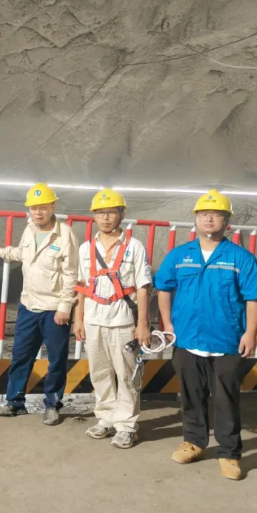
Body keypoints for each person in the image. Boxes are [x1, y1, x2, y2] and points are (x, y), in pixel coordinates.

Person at [155, 189, 257, 480]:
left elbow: (255, 297)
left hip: (226, 340)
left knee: (225, 399)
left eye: (216, 214)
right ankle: (194, 442)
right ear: (196, 219)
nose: (209, 219)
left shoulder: (240, 257)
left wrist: (250, 333)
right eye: (204, 214)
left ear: (226, 221)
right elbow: (164, 288)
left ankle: (229, 452)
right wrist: (167, 324)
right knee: (190, 395)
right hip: (187, 339)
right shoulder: (180, 255)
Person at [0, 183, 79, 425]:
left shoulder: (65, 234)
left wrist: (65, 306)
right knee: (21, 355)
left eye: (43, 207)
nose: (38, 212)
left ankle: (52, 404)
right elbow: (23, 253)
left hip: (54, 308)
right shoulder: (29, 230)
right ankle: (15, 402)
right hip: (28, 305)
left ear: (53, 206)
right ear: (29, 209)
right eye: (34, 208)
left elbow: (71, 273)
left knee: (56, 359)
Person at [73, 189, 152, 449]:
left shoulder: (134, 246)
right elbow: (82, 285)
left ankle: (126, 426)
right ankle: (106, 418)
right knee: (99, 373)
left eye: (111, 212)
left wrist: (142, 324)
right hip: (94, 319)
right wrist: (78, 319)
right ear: (94, 216)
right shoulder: (86, 248)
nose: (105, 218)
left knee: (126, 375)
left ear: (121, 214)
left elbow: (143, 286)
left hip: (123, 320)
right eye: (100, 213)